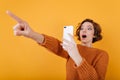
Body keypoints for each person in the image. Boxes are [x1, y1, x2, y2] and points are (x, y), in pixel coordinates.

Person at [6, 10, 109, 80]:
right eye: (82, 28)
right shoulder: (72, 46)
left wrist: (76, 56)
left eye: (89, 28)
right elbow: (56, 46)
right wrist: (32, 34)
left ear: (95, 34)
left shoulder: (101, 54)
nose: (84, 30)